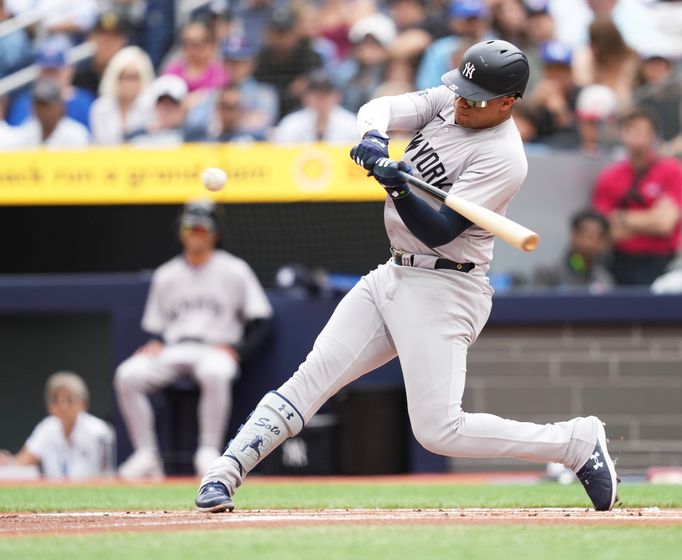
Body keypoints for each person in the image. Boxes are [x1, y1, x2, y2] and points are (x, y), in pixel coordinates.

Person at [195, 39, 618, 513]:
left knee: (439, 431)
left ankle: (574, 443)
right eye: (461, 90)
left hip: (448, 286)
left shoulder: (504, 157)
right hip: (393, 272)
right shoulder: (448, 101)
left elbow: (439, 230)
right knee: (311, 377)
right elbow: (378, 107)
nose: (461, 102)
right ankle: (224, 473)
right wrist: (375, 141)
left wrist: (399, 189)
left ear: (507, 103)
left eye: (475, 98)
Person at [114, 199, 273, 480]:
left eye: (202, 229)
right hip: (175, 348)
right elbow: (157, 326)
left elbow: (262, 320)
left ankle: (208, 452)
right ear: (181, 232)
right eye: (190, 228)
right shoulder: (166, 274)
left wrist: (237, 350)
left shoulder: (234, 269)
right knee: (127, 374)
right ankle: (146, 455)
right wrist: (155, 341)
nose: (195, 234)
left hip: (215, 349)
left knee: (215, 371)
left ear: (215, 234)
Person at [592, 106, 682, 286]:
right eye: (631, 129)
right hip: (620, 263)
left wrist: (620, 217)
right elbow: (605, 231)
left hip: (661, 262)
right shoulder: (609, 177)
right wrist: (651, 218)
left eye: (643, 131)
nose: (637, 136)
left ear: (653, 135)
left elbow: (665, 224)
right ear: (621, 133)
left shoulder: (671, 170)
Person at [0, 372, 115, 480]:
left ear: (83, 404)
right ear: (49, 406)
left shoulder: (99, 431)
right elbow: (22, 462)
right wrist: (8, 462)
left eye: (69, 400)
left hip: (90, 492)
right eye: (56, 400)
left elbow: (106, 475)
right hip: (53, 492)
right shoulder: (46, 427)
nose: (63, 406)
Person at [6, 35, 96, 128]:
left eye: (55, 72)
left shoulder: (84, 101)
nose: (50, 78)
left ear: (69, 71)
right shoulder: (25, 101)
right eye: (46, 72)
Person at [533, 209, 613, 292]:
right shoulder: (548, 272)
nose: (589, 242)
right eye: (584, 234)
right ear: (573, 235)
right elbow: (537, 304)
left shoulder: (603, 279)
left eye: (596, 237)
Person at [89, 45, 154, 145]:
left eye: (134, 77)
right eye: (124, 77)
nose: (128, 83)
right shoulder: (100, 107)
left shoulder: (151, 107)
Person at [271, 70, 359, 144]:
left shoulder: (351, 124)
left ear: (337, 96)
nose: (321, 99)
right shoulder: (292, 123)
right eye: (316, 94)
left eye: (325, 94)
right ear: (305, 97)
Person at [3, 79, 90, 150]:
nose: (43, 111)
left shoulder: (76, 134)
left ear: (60, 107)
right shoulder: (28, 129)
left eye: (47, 106)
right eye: (39, 105)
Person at [72, 11, 132, 96]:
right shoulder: (78, 74)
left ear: (123, 42)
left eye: (113, 37)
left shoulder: (130, 75)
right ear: (90, 39)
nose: (106, 43)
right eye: (101, 36)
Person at [127, 74, 187, 146]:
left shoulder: (191, 135)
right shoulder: (139, 135)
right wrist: (147, 130)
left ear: (182, 108)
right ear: (154, 106)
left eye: (172, 105)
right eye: (162, 104)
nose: (167, 110)